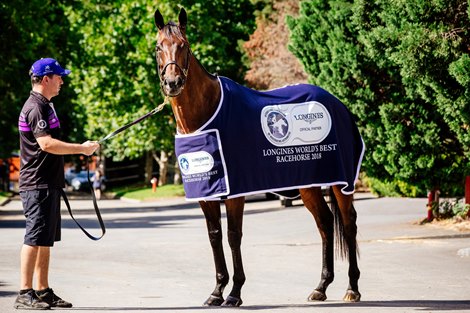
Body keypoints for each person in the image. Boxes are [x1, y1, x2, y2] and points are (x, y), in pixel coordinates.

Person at [14, 58, 100, 310]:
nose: (62, 81)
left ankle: (42, 290)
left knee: (45, 239)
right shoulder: (35, 107)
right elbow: (47, 144)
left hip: (48, 183)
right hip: (36, 184)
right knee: (34, 237)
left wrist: (83, 149)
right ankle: (24, 291)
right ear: (45, 79)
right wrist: (81, 150)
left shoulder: (46, 105)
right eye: (59, 76)